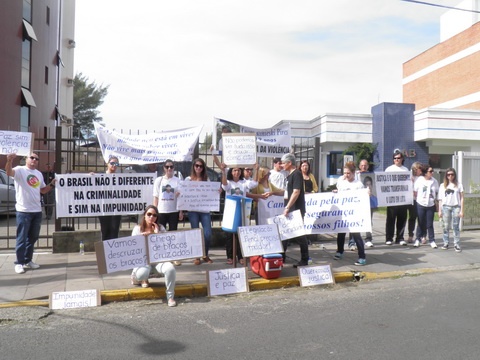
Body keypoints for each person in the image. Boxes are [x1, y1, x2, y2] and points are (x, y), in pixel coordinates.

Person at [6, 152, 56, 274]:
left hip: (37, 211)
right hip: (24, 211)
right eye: (32, 157)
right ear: (26, 159)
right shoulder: (20, 170)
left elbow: (43, 190)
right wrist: (9, 161)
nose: (34, 160)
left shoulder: (38, 174)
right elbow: (8, 172)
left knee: (33, 237)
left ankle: (28, 260)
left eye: (36, 158)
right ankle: (19, 262)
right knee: (21, 238)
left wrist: (52, 184)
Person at [130, 205, 177, 307]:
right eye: (149, 214)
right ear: (144, 216)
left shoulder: (161, 228)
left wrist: (157, 235)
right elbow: (133, 249)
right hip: (144, 262)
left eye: (154, 215)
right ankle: (137, 276)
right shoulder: (137, 229)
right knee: (142, 274)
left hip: (158, 261)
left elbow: (166, 247)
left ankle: (170, 297)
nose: (151, 217)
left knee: (170, 269)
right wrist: (142, 238)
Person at [184, 158, 218, 265]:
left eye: (201, 166)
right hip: (193, 210)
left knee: (208, 233)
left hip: (204, 210)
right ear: (193, 167)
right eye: (196, 166)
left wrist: (217, 191)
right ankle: (196, 256)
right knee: (195, 233)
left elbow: (211, 193)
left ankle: (205, 254)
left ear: (203, 168)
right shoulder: (188, 180)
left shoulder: (206, 180)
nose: (198, 168)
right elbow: (184, 194)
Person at [333, 161, 367, 266]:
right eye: (344, 173)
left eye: (348, 173)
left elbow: (362, 198)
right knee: (341, 232)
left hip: (354, 213)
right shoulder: (341, 181)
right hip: (343, 212)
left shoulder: (358, 184)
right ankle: (340, 251)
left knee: (356, 235)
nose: (346, 175)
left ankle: (362, 257)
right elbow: (339, 192)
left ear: (353, 173)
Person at [280, 153, 310, 268]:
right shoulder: (289, 176)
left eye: (283, 163)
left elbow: (296, 191)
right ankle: (281, 257)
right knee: (285, 234)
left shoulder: (296, 174)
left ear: (289, 163)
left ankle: (304, 258)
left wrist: (288, 207)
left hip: (295, 209)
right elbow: (288, 192)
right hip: (290, 209)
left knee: (299, 235)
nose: (282, 165)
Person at [153, 160, 183, 266]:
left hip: (173, 211)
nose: (169, 169)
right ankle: (162, 256)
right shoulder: (159, 180)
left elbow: (181, 197)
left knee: (173, 234)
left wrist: (180, 211)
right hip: (161, 211)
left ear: (174, 168)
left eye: (171, 167)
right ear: (164, 168)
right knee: (160, 234)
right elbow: (155, 197)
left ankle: (174, 256)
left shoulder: (178, 181)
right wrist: (154, 212)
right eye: (167, 167)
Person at [221, 165, 250, 265]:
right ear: (231, 172)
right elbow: (225, 186)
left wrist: (257, 168)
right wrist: (223, 172)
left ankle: (240, 256)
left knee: (240, 234)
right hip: (230, 211)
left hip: (241, 210)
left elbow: (254, 184)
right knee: (229, 235)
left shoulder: (244, 182)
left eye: (238, 170)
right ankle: (230, 256)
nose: (236, 172)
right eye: (234, 170)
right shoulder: (229, 182)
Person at [385, 151, 410, 246]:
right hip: (392, 199)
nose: (397, 160)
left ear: (402, 159)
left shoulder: (405, 170)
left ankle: (400, 238)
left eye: (398, 158)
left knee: (402, 219)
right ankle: (389, 238)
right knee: (390, 219)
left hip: (403, 199)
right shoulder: (389, 169)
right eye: (395, 158)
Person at [413, 165, 440, 248]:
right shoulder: (419, 180)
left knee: (429, 223)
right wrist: (419, 199)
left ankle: (432, 240)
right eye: (430, 171)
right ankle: (418, 239)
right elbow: (415, 191)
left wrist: (437, 205)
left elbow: (436, 192)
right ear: (425, 172)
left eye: (432, 171)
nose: (432, 173)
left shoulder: (434, 181)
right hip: (420, 203)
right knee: (420, 222)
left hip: (430, 204)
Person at [438, 167, 464, 252]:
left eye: (452, 174)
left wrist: (462, 210)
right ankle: (446, 242)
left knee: (455, 226)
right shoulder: (443, 185)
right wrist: (439, 210)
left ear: (454, 175)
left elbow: (462, 198)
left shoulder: (459, 185)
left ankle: (456, 244)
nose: (450, 176)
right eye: (448, 174)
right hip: (446, 207)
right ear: (446, 175)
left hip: (456, 207)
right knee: (445, 226)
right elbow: (440, 199)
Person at [348, 159, 373, 249]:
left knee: (368, 220)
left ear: (368, 166)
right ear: (359, 166)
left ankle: (368, 239)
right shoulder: (356, 175)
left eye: (365, 165)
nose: (364, 167)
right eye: (362, 165)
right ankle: (352, 241)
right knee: (354, 221)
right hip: (356, 203)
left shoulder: (371, 175)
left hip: (367, 202)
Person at [98, 156, 122, 241]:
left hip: (116, 209)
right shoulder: (100, 176)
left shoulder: (120, 178)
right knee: (105, 231)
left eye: (116, 163)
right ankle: (105, 252)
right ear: (107, 164)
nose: (114, 165)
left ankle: (113, 252)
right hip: (104, 209)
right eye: (112, 163)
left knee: (114, 231)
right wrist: (91, 176)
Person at [407, 162, 423, 243]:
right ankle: (410, 235)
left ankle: (422, 235)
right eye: (417, 169)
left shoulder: (423, 177)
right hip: (412, 200)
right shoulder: (410, 176)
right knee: (412, 217)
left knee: (421, 218)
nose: (419, 171)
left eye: (419, 169)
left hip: (421, 200)